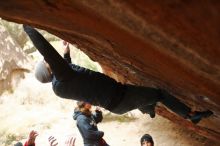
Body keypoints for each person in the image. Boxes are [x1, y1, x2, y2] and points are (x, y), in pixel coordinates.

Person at [23, 25, 213, 124]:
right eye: (46, 63)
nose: (47, 61)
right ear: (48, 70)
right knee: (159, 94)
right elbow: (48, 53)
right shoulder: (62, 78)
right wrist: (27, 27)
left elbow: (69, 69)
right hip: (121, 97)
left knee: (146, 99)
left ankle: (149, 109)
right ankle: (190, 115)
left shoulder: (61, 84)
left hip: (118, 99)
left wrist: (66, 51)